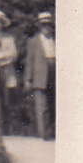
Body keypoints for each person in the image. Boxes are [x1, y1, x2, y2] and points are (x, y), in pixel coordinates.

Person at [24, 11, 56, 139]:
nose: (46, 28)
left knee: (53, 104)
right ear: (39, 26)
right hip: (40, 75)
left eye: (48, 25)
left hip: (54, 73)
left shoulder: (55, 40)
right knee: (41, 106)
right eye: (43, 25)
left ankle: (52, 131)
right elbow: (29, 61)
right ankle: (43, 133)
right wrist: (28, 78)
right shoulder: (34, 41)